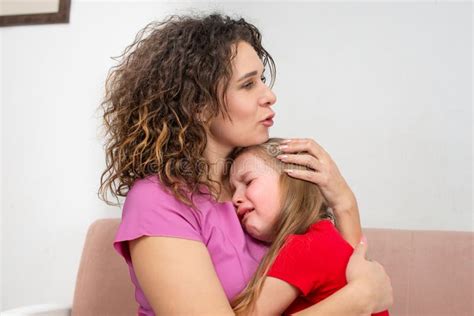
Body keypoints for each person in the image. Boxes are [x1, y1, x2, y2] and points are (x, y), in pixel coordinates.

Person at [99, 13, 392, 315]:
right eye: (248, 84)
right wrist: (360, 298)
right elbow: (359, 294)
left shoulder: (264, 186)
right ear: (198, 105)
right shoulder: (158, 201)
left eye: (262, 80)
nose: (270, 95)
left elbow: (334, 271)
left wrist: (343, 199)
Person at [228, 139, 389, 316]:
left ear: (291, 180)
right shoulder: (325, 237)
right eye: (232, 190)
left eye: (249, 181)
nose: (235, 198)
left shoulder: (306, 246)